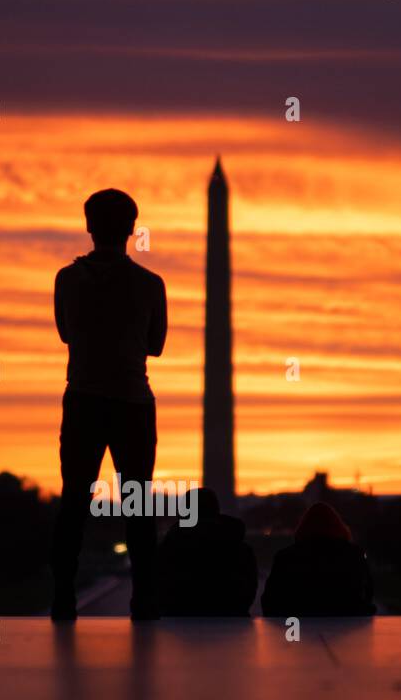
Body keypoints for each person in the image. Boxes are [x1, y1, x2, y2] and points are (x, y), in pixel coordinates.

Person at [50, 188, 167, 620]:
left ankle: (62, 599)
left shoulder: (67, 278)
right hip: (133, 404)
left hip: (82, 400)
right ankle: (145, 601)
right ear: (133, 230)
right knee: (138, 506)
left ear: (88, 226)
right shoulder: (151, 285)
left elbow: (65, 332)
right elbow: (155, 345)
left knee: (74, 503)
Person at [260, 501, 375, 617]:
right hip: (347, 621)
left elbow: (270, 600)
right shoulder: (354, 554)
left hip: (298, 624)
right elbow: (368, 592)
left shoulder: (285, 557)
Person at [158, 487, 258, 616]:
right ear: (217, 511)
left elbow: (158, 592)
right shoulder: (242, 550)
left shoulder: (167, 550)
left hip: (178, 624)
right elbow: (248, 594)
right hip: (231, 623)